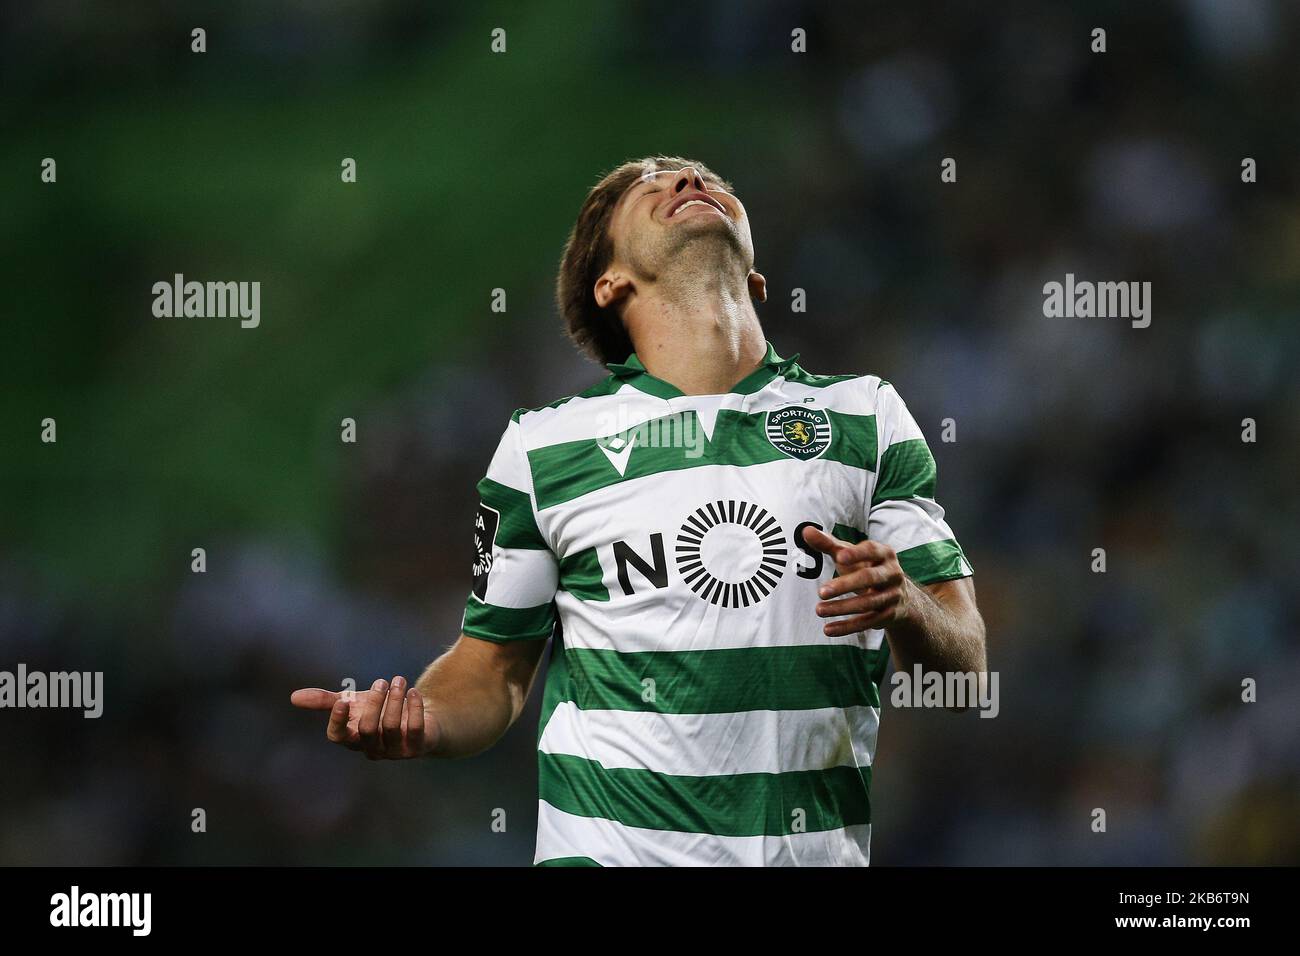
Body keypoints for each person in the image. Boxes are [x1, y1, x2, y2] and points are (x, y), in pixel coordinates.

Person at [292, 155, 987, 866]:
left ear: (753, 274)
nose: (688, 180)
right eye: (649, 184)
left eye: (709, 178)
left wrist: (905, 603)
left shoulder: (866, 415)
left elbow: (965, 674)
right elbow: (493, 670)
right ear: (610, 282)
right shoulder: (545, 446)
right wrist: (422, 719)